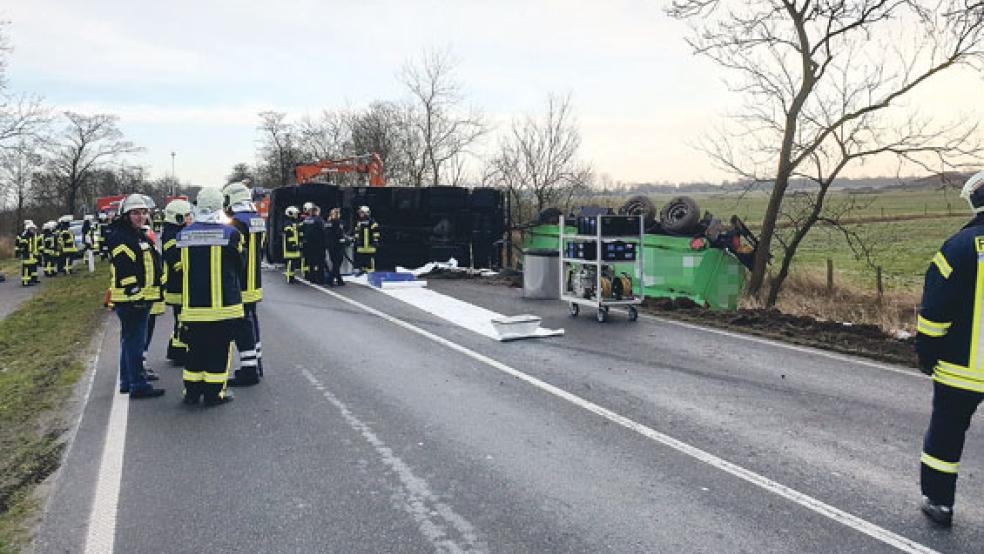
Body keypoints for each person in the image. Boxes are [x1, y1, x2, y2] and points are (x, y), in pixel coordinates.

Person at [916, 169, 984, 527]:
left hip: (960, 370)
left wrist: (927, 353)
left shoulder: (957, 248)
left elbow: (934, 312)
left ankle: (939, 503)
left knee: (946, 435)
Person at [177, 188, 245, 406]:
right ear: (221, 205)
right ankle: (214, 394)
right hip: (223, 306)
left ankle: (192, 392)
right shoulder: (232, 234)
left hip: (193, 306)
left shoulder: (183, 235)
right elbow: (240, 265)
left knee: (195, 349)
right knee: (218, 350)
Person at [104, 194, 165, 399]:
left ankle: (127, 382)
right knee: (135, 343)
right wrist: (135, 292)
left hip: (139, 298)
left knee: (129, 341)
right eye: (135, 213)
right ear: (126, 215)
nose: (140, 217)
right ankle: (138, 384)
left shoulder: (136, 234)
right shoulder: (122, 236)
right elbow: (124, 267)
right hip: (132, 300)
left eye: (143, 212)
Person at [223, 181, 266, 386]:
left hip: (240, 283)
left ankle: (248, 369)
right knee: (252, 320)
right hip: (254, 282)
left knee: (242, 326)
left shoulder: (236, 223)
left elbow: (231, 254)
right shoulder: (257, 219)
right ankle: (257, 363)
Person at [161, 198, 193, 363]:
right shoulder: (172, 237)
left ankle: (177, 351)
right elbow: (177, 262)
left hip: (179, 286)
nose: (190, 219)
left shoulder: (174, 233)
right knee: (182, 320)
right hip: (177, 287)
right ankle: (179, 354)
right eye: (187, 216)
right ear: (178, 218)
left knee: (180, 320)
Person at [301, 204, 327, 284]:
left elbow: (302, 230)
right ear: (316, 211)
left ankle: (311, 278)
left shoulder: (306, 220)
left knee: (311, 262)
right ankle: (320, 279)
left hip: (308, 244)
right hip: (318, 245)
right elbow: (323, 232)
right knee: (320, 262)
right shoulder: (319, 220)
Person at [353, 205, 380, 275]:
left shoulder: (372, 222)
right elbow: (357, 232)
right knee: (363, 259)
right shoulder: (361, 222)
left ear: (365, 213)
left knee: (369, 259)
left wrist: (375, 241)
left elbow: (376, 233)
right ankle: (363, 270)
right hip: (362, 246)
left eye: (361, 212)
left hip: (369, 245)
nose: (360, 214)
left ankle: (370, 272)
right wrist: (355, 240)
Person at [325, 208, 347, 286]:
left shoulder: (328, 222)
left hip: (330, 245)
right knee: (337, 262)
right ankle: (329, 280)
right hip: (336, 245)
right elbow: (338, 234)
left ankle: (339, 280)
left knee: (335, 262)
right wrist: (343, 239)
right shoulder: (336, 222)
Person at [15, 220, 40, 286]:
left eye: (33, 229)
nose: (33, 230)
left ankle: (31, 280)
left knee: (31, 267)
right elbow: (21, 245)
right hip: (26, 254)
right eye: (31, 229)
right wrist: (19, 253)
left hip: (31, 254)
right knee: (26, 268)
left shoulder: (31, 235)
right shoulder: (24, 235)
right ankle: (26, 281)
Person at [282, 206, 302, 283]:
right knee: (290, 262)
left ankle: (292, 276)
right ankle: (289, 278)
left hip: (293, 246)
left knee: (293, 263)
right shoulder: (287, 224)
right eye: (295, 213)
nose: (296, 215)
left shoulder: (292, 223)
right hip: (289, 247)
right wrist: (293, 245)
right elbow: (289, 236)